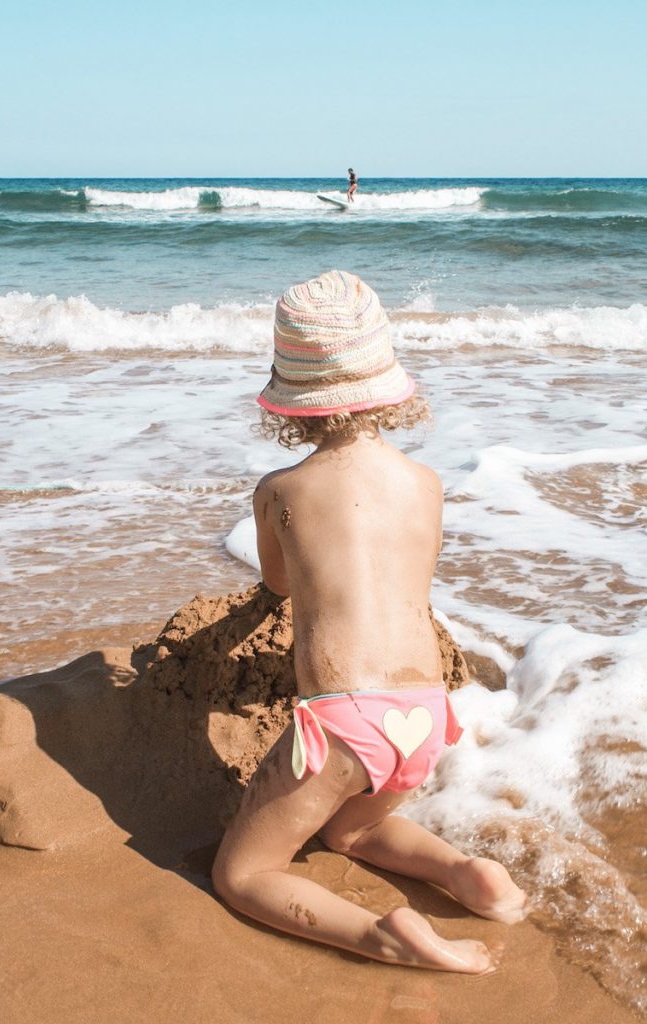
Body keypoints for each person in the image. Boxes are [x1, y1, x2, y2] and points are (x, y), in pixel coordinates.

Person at [212, 270, 527, 972]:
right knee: (349, 835)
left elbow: (278, 582)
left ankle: (381, 935)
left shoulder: (281, 490)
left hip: (342, 722)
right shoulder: (427, 484)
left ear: (291, 397)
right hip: (426, 715)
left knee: (243, 874)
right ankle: (463, 873)